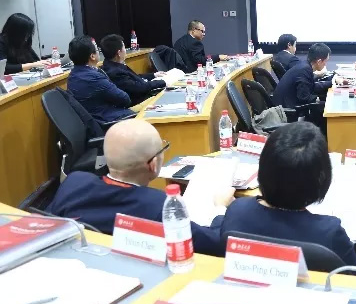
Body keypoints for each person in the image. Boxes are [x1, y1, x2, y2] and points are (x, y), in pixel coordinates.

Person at [220, 122, 356, 270]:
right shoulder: (330, 232)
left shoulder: (236, 211)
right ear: (322, 178)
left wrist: (220, 207)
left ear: (263, 169)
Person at [44, 119, 228, 255]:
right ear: (153, 165)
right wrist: (221, 209)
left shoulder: (73, 182)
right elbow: (216, 244)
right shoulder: (159, 206)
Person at [66, 35, 135, 124]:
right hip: (110, 121)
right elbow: (125, 99)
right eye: (97, 49)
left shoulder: (72, 75)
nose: (99, 51)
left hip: (96, 119)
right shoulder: (94, 77)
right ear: (92, 56)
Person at [272, 42, 333, 130]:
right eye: (326, 61)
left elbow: (311, 86)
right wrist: (320, 99)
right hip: (287, 111)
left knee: (324, 101)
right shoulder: (305, 70)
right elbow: (304, 98)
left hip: (287, 103)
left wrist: (332, 83)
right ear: (319, 61)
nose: (325, 64)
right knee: (327, 107)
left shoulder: (304, 66)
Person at [100, 34, 166, 106]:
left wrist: (153, 75)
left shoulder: (111, 65)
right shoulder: (115, 73)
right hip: (140, 102)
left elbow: (134, 78)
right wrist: (162, 82)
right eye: (124, 48)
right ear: (119, 53)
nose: (125, 51)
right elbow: (138, 88)